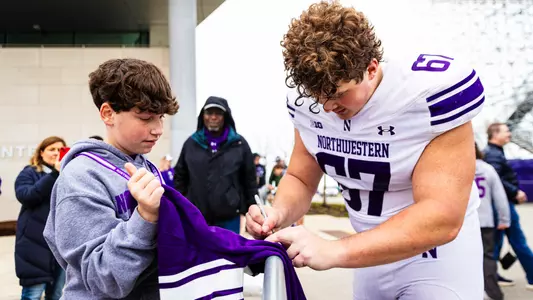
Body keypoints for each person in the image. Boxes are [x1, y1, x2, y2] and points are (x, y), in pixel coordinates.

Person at [246, 2, 485, 299]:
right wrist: (276, 212)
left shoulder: (425, 95)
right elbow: (301, 177)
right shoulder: (310, 105)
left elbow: (441, 216)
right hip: (367, 253)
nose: (327, 107)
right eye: (317, 95)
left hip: (436, 256)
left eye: (339, 93)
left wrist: (332, 249)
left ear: (371, 69)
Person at [43, 58, 179, 299]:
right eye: (146, 118)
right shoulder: (81, 178)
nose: (158, 129)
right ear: (108, 113)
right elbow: (102, 278)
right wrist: (145, 217)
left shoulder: (145, 166)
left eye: (161, 118)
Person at [173, 96, 257, 234]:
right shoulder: (191, 144)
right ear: (203, 116)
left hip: (230, 218)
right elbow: (180, 177)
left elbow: (249, 180)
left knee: (228, 254)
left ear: (226, 117)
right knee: (200, 254)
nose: (213, 117)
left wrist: (251, 208)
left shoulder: (239, 144)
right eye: (209, 113)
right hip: (196, 216)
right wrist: (182, 205)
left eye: (218, 113)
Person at [14, 136, 67, 300]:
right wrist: (54, 174)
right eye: (52, 149)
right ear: (41, 152)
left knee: (56, 295)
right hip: (34, 243)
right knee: (33, 295)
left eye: (61, 150)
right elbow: (26, 196)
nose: (56, 153)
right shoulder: (29, 172)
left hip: (59, 245)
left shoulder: (69, 175)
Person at [484, 122, 533, 290]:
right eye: (506, 131)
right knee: (518, 241)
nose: (509, 134)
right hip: (502, 205)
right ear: (495, 134)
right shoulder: (493, 155)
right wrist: (515, 192)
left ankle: (492, 276)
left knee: (495, 244)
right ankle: (532, 277)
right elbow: (496, 181)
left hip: (499, 205)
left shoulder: (494, 153)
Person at [474, 143, 510, 300]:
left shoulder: (458, 168)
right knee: (488, 257)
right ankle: (494, 294)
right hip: (486, 222)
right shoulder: (488, 168)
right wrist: (504, 219)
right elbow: (500, 197)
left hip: (464, 224)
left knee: (464, 257)